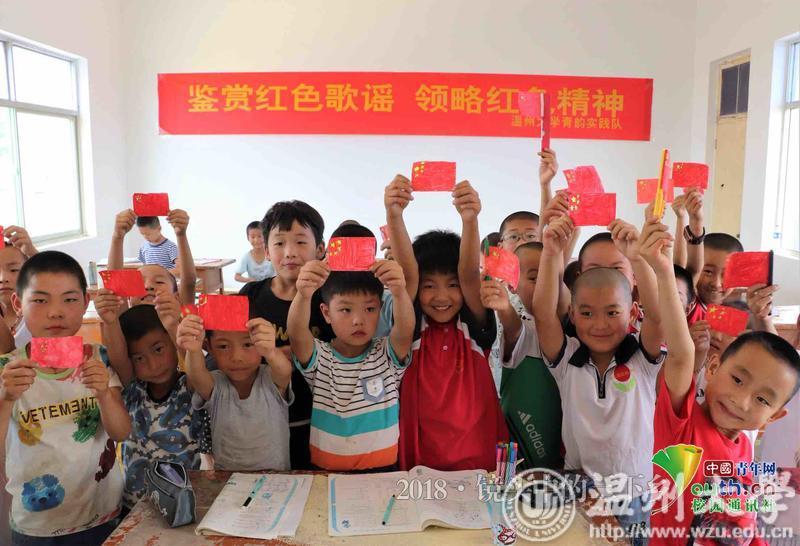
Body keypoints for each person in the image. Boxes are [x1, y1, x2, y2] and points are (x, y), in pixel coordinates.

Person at [639, 214, 800, 545]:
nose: (742, 401)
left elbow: (745, 523)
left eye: (762, 399)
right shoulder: (682, 428)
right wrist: (663, 271)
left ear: (773, 416)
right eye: (738, 380)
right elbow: (681, 354)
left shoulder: (744, 448)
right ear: (712, 369)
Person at [533, 213, 665, 540]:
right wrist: (551, 252)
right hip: (582, 491)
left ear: (632, 312)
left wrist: (638, 258)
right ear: (573, 314)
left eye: (612, 312)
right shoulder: (567, 360)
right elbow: (543, 314)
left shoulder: (643, 359)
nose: (600, 324)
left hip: (634, 494)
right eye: (587, 313)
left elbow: (658, 316)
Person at [0, 251, 130, 545]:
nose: (56, 312)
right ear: (18, 304)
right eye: (40, 300)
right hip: (37, 524)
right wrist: (7, 399)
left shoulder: (97, 358)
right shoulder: (7, 371)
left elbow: (121, 432)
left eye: (69, 299)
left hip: (103, 513)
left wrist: (103, 393)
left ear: (86, 302)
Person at [384, 175, 508, 471]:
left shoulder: (473, 327)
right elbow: (408, 274)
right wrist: (394, 215)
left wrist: (470, 219)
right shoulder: (411, 326)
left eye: (452, 285)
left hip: (481, 463)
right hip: (421, 467)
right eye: (429, 286)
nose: (441, 297)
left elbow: (469, 275)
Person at [288, 258, 414, 471]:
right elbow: (296, 334)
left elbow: (405, 330)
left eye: (370, 309)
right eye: (346, 310)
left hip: (383, 473)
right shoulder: (320, 357)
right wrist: (303, 295)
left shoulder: (386, 354)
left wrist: (400, 292)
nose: (358, 320)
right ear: (326, 313)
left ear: (381, 310)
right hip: (326, 474)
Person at [238, 200, 332, 470]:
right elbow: (232, 349)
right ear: (267, 251)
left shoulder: (331, 298)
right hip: (264, 422)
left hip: (320, 423)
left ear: (320, 249)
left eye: (301, 242)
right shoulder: (250, 296)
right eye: (279, 243)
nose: (289, 252)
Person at [117, 305, 211, 510]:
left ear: (173, 341)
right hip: (133, 507)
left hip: (184, 507)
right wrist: (109, 321)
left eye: (158, 349)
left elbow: (197, 368)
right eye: (139, 358)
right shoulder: (132, 391)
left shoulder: (190, 386)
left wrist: (173, 326)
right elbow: (117, 356)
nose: (153, 365)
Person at [177, 313, 293, 471]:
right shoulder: (215, 385)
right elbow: (196, 375)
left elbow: (285, 371)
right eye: (223, 346)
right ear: (209, 348)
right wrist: (193, 350)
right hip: (227, 479)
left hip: (275, 479)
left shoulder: (270, 378)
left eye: (248, 344)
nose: (237, 357)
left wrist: (271, 351)